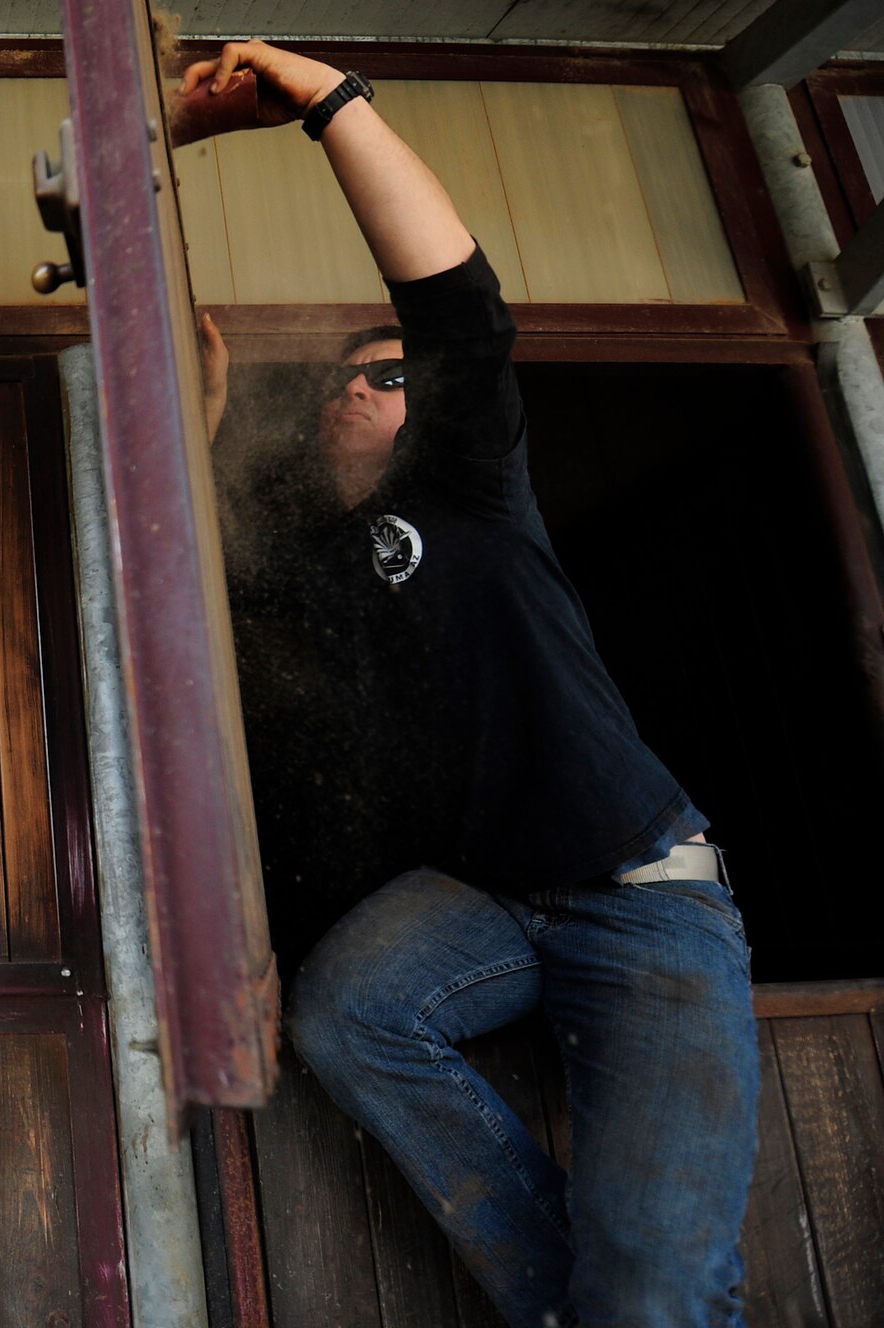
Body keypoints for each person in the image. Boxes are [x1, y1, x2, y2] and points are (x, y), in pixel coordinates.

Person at [175, 41, 761, 1328]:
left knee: (658, 1292)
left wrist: (326, 104)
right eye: (366, 376)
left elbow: (456, 309)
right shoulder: (314, 565)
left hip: (638, 896)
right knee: (345, 1013)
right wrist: (201, 418)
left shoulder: (469, 490)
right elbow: (189, 596)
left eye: (400, 379)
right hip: (482, 900)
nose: (387, 391)